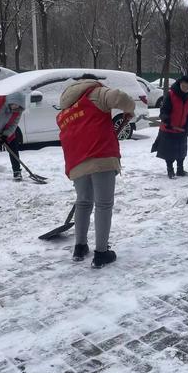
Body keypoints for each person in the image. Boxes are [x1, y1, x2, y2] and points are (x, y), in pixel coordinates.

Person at [57, 75, 135, 269]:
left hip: (76, 160)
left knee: (83, 202)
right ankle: (101, 253)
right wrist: (129, 110)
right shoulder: (96, 92)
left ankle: (80, 247)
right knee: (103, 204)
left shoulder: (67, 106)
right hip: (100, 155)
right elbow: (120, 97)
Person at [151, 75, 188, 179]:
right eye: (183, 86)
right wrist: (166, 120)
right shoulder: (171, 94)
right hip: (169, 128)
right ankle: (170, 170)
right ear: (180, 84)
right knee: (169, 152)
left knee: (181, 151)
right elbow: (163, 111)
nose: (185, 89)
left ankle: (180, 170)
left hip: (182, 129)